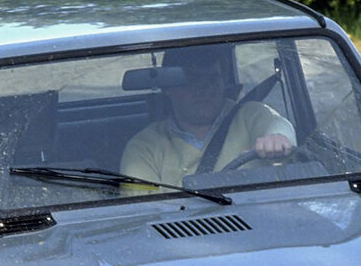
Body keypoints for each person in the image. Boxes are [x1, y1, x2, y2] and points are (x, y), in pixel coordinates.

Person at [120, 45, 295, 186]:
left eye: (212, 79)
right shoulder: (144, 147)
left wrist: (276, 138)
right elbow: (144, 213)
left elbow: (277, 124)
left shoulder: (249, 115)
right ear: (168, 88)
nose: (205, 89)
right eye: (192, 80)